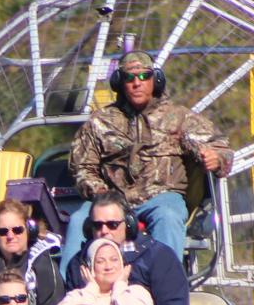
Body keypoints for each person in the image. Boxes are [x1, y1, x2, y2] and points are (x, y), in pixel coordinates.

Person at [64, 48, 231, 267]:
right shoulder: (100, 122)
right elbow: (82, 166)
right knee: (78, 221)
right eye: (129, 78)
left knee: (168, 216)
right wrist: (99, 192)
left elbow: (219, 146)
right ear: (119, 83)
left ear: (156, 80)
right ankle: (69, 292)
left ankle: (167, 288)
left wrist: (216, 158)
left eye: (144, 76)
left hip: (161, 197)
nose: (137, 83)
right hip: (112, 199)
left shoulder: (178, 117)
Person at [61, 190, 190, 305]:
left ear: (129, 224)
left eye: (113, 225)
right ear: (88, 228)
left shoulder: (159, 256)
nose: (104, 231)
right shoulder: (78, 263)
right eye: (97, 225)